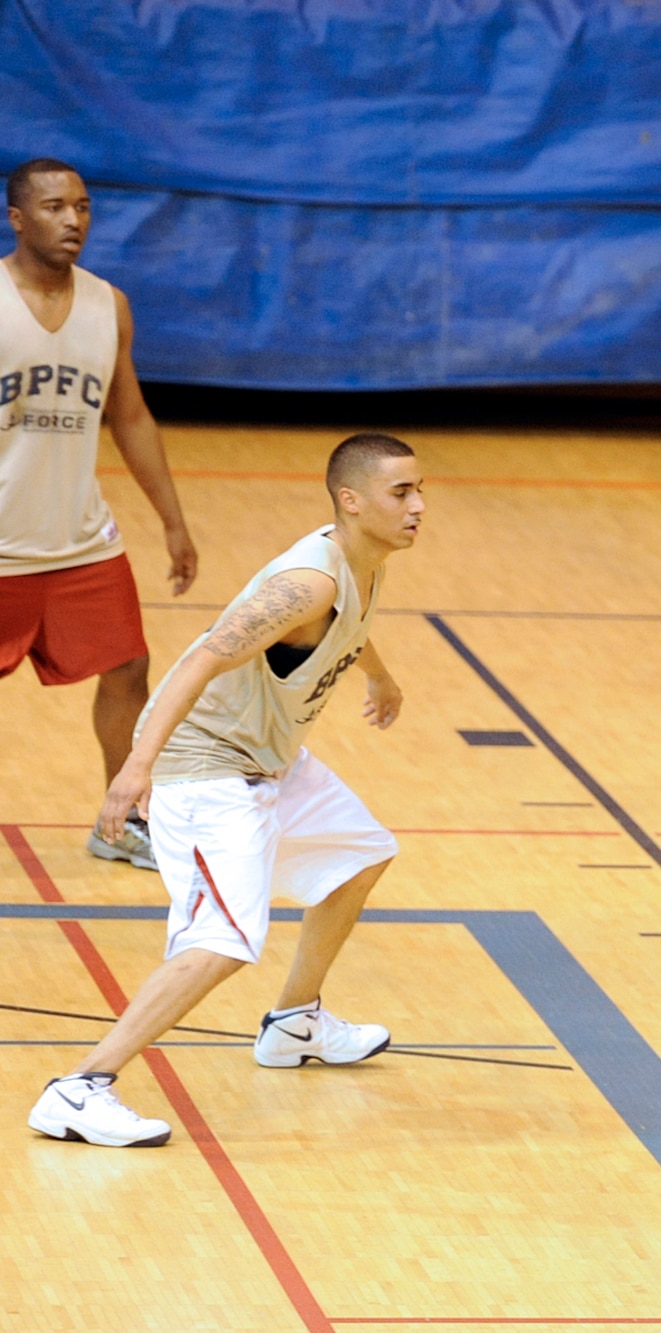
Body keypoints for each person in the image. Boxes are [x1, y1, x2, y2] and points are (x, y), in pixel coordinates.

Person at [28, 434, 423, 1148]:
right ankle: (80, 1088)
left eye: (420, 490)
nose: (419, 505)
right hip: (205, 772)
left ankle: (295, 1023)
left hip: (270, 759)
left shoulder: (361, 562)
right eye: (402, 492)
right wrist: (135, 767)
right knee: (225, 938)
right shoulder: (309, 580)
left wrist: (379, 676)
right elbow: (201, 658)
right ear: (351, 501)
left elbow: (345, 631)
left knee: (362, 854)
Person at [2, 158, 200, 871]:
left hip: (80, 542)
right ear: (17, 218)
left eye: (82, 206)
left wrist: (172, 520)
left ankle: (122, 823)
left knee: (128, 667)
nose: (74, 220)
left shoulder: (109, 305)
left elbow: (132, 416)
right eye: (55, 207)